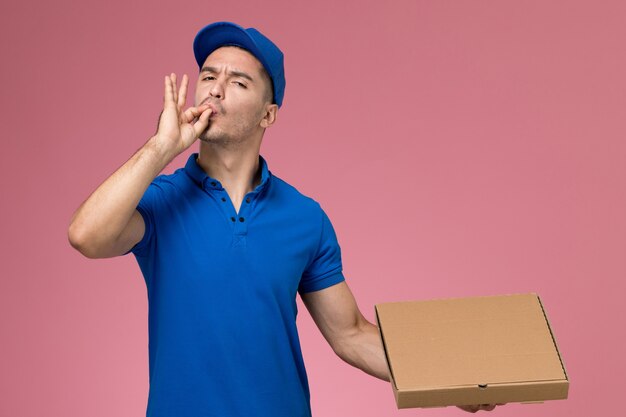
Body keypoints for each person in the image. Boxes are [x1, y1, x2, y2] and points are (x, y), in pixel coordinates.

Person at [68, 21, 501, 416]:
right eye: (208, 77)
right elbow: (86, 236)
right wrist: (161, 149)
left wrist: (444, 380)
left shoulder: (305, 218)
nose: (215, 90)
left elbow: (350, 334)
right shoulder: (162, 203)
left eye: (238, 82)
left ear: (268, 114)